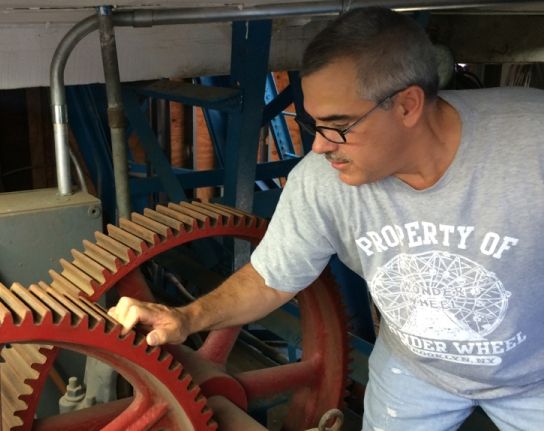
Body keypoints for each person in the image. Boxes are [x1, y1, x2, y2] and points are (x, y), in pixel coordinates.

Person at [108, 6, 544, 430]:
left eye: (338, 125)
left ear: (408, 105)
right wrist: (186, 318)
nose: (318, 146)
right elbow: (270, 279)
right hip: (416, 372)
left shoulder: (531, 147)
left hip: (534, 379)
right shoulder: (323, 180)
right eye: (313, 123)